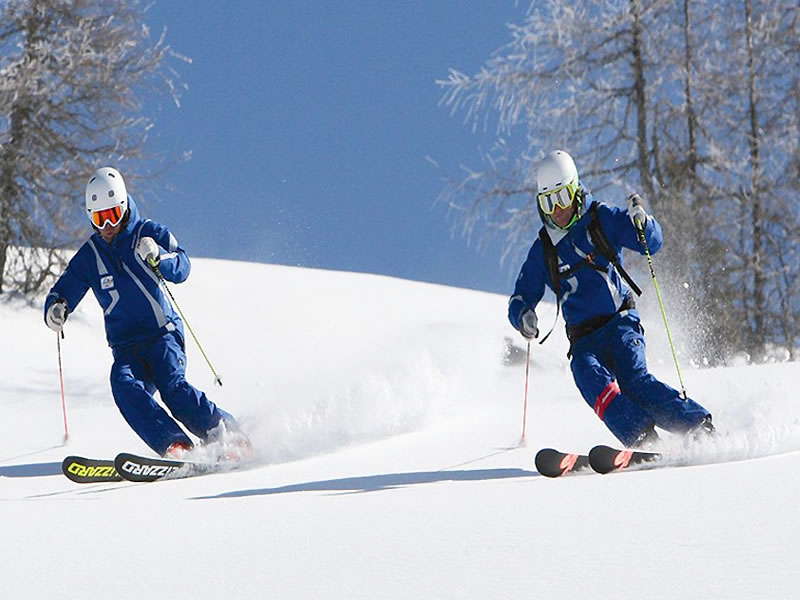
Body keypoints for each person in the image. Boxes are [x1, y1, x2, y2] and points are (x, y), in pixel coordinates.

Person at [508, 150, 713, 448]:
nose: (558, 210)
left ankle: (698, 426)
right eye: (548, 202)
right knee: (586, 375)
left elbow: (651, 244)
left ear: (576, 189)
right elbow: (520, 296)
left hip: (620, 324)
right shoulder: (544, 250)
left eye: (563, 197)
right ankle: (643, 440)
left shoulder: (600, 219)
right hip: (583, 339)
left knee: (634, 382)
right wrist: (523, 315)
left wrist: (644, 224)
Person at [44, 167, 246, 458]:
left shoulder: (147, 232)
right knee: (123, 385)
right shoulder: (91, 255)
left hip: (162, 334)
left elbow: (183, 264)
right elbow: (65, 286)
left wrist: (159, 259)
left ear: (124, 206)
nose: (108, 225)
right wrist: (56, 307)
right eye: (99, 218)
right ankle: (175, 446)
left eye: (113, 214)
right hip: (126, 347)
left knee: (173, 389)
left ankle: (228, 435)